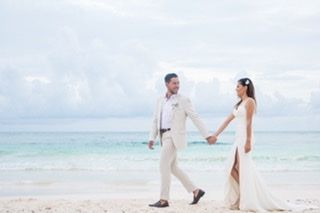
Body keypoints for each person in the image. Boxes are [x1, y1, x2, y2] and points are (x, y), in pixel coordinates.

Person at [148, 73, 217, 208]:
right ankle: (196, 191)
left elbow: (195, 117)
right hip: (163, 136)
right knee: (173, 168)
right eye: (174, 83)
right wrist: (152, 138)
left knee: (163, 166)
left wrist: (207, 135)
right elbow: (156, 120)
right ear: (166, 84)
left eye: (178, 83)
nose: (177, 86)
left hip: (173, 137)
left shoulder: (183, 100)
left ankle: (164, 200)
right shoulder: (160, 100)